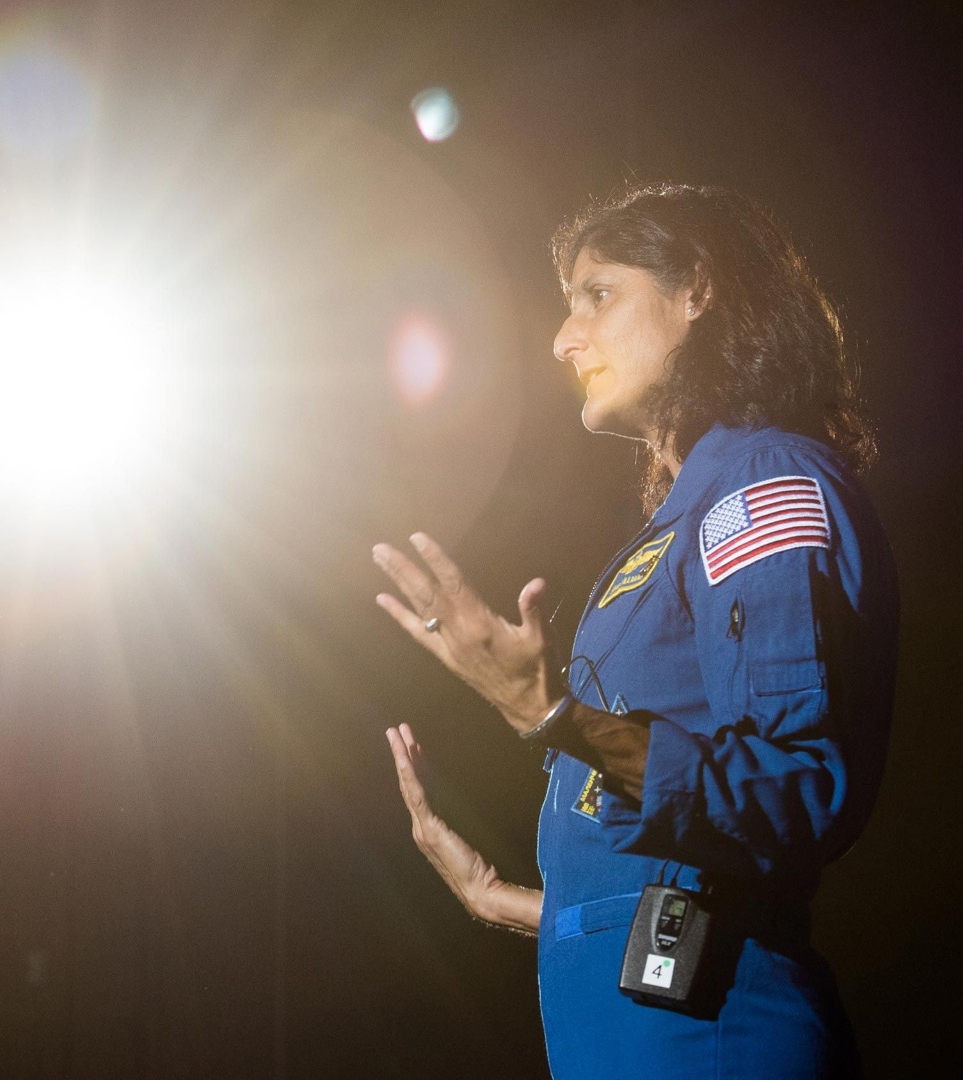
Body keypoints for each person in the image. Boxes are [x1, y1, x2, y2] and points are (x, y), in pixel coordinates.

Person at [372, 183, 898, 1080]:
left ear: (698, 290)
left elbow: (798, 788)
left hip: (714, 1042)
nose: (563, 338)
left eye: (598, 294)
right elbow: (670, 883)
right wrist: (512, 902)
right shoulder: (678, 521)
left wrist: (552, 715)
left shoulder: (760, 482)